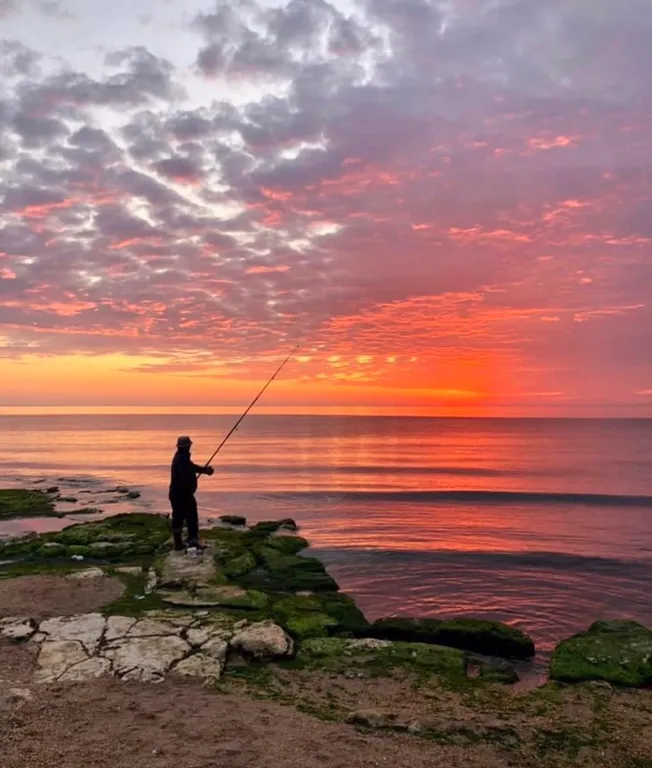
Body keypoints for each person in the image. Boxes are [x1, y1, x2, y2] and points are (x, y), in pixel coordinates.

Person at [169, 435, 214, 551]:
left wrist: (204, 470)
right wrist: (205, 471)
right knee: (191, 517)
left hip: (176, 493)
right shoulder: (182, 459)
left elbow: (191, 467)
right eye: (189, 445)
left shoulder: (180, 457)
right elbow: (189, 470)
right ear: (188, 446)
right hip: (183, 494)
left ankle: (179, 543)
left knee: (178, 517)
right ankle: (192, 540)